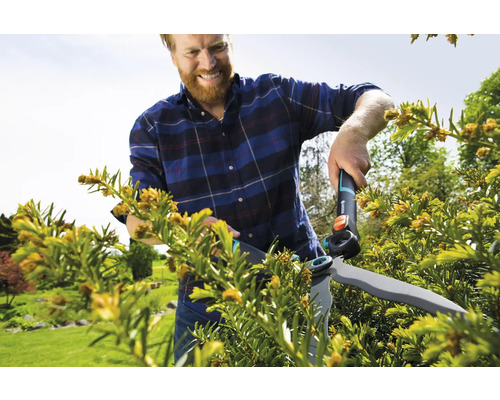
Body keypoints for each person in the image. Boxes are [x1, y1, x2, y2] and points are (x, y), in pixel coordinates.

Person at [121, 34, 394, 362]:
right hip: (208, 309)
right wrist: (183, 230)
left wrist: (353, 132)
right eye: (193, 52)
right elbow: (137, 220)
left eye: (217, 47)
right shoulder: (152, 127)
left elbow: (377, 99)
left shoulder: (275, 94)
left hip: (301, 290)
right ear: (173, 57)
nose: (208, 63)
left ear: (230, 42)